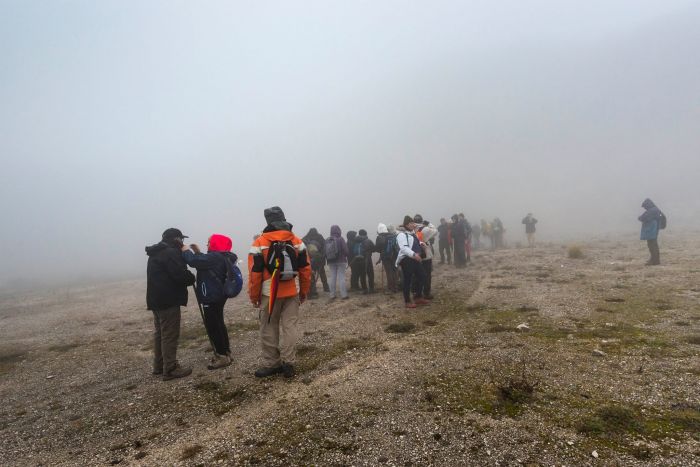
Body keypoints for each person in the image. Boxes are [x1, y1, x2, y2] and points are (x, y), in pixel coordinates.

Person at [248, 206, 311, 378]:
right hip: (292, 290)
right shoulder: (297, 240)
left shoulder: (259, 243)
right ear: (284, 218)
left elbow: (255, 274)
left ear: (267, 221)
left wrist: (254, 296)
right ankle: (289, 362)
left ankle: (272, 364)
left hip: (270, 292)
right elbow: (305, 269)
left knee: (268, 327)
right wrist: (304, 291)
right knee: (290, 327)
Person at [145, 228, 196, 381]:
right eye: (181, 239)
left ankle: (159, 366)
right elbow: (179, 276)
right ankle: (171, 368)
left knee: (160, 333)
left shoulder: (156, 252)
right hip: (168, 300)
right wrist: (190, 277)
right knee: (169, 334)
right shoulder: (170, 253)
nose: (183, 242)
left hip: (155, 299)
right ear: (177, 240)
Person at [182, 234, 238, 370]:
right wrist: (198, 252)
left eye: (209, 242)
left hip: (211, 296)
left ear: (216, 244)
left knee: (213, 326)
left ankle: (222, 356)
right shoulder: (223, 256)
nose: (208, 245)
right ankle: (226, 352)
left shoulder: (215, 257)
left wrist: (185, 250)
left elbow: (194, 262)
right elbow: (204, 263)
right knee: (218, 323)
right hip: (219, 295)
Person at [396, 216, 430, 308]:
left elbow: (416, 242)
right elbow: (404, 248)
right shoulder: (401, 235)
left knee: (422, 276)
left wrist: (422, 244)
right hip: (407, 259)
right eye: (411, 223)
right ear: (407, 224)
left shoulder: (412, 233)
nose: (413, 224)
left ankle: (418, 297)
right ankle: (407, 301)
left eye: (413, 223)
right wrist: (414, 255)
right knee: (407, 280)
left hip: (416, 258)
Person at [414, 215, 437, 299]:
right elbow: (435, 231)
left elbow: (397, 229)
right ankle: (426, 293)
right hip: (426, 254)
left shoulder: (411, 229)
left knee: (417, 275)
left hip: (415, 255)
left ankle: (417, 292)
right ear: (422, 221)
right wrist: (429, 223)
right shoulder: (425, 229)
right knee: (427, 274)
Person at [302, 228, 329, 299]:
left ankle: (312, 291)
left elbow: (302, 247)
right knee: (322, 273)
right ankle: (326, 288)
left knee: (311, 275)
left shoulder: (306, 238)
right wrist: (323, 256)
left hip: (309, 260)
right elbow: (324, 248)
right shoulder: (320, 237)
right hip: (319, 258)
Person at [326, 225, 350, 299]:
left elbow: (325, 251)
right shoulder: (341, 239)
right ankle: (344, 295)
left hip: (331, 261)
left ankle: (332, 295)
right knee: (341, 277)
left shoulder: (327, 240)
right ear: (339, 230)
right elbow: (346, 250)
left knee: (332, 277)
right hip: (341, 260)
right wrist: (346, 255)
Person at [638, 198, 663, 265]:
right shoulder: (655, 209)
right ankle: (655, 260)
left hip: (652, 231)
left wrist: (639, 217)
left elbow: (643, 218)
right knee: (653, 245)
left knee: (652, 245)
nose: (645, 208)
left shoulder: (652, 210)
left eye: (645, 206)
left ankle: (654, 261)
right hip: (654, 231)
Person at [375, 223, 398, 293]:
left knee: (389, 272)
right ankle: (395, 287)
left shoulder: (379, 237)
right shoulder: (393, 235)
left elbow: (378, 249)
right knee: (394, 271)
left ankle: (390, 288)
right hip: (394, 256)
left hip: (386, 257)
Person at [355, 229, 375, 294]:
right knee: (370, 274)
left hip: (359, 259)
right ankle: (371, 289)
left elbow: (353, 250)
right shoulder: (368, 241)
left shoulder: (356, 240)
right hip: (367, 259)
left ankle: (364, 289)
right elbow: (374, 248)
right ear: (365, 234)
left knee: (362, 275)